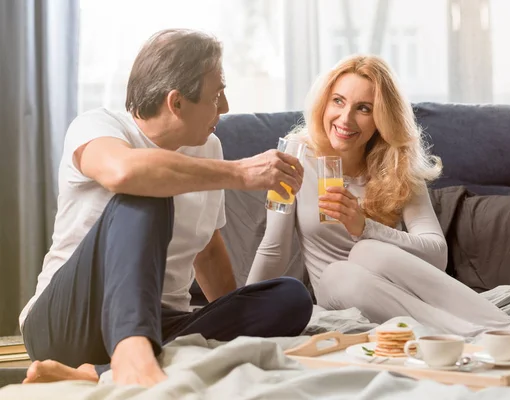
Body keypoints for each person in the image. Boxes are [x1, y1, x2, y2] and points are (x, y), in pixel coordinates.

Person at [19, 29, 313, 387]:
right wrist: (242, 172)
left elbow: (207, 251)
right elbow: (124, 171)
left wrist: (234, 313)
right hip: (67, 322)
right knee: (146, 188)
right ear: (176, 103)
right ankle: (130, 350)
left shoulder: (209, 147)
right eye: (217, 94)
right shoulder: (98, 126)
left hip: (162, 322)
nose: (225, 107)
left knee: (289, 298)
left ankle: (100, 371)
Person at [247, 54, 510, 338]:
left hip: (399, 282)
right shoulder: (294, 156)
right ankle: (480, 335)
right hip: (337, 288)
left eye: (363, 109)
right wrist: (242, 313)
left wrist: (364, 227)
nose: (345, 120)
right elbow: (274, 247)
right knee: (341, 270)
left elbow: (437, 255)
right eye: (338, 101)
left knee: (368, 251)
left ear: (381, 119)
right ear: (324, 104)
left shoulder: (397, 167)